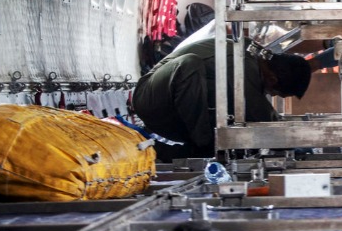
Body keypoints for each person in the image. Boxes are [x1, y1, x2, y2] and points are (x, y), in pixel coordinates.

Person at [132, 32, 320, 159]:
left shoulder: (255, 57)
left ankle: (190, 149)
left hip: (174, 112)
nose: (268, 94)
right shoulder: (242, 63)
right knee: (189, 64)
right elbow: (260, 113)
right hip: (151, 100)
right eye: (273, 92)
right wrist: (292, 142)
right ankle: (199, 148)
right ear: (272, 77)